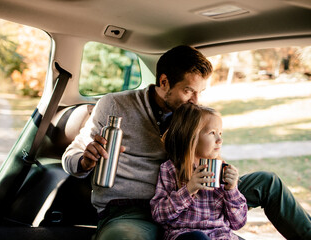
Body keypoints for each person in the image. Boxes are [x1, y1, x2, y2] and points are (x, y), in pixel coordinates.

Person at [62, 45, 311, 240]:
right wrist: (85, 160)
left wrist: (225, 177)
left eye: (200, 92)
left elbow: (211, 145)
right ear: (164, 82)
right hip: (134, 208)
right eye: (188, 91)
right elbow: (71, 157)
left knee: (268, 183)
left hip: (201, 196)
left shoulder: (191, 113)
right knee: (124, 238)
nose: (195, 100)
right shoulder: (115, 105)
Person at [150, 103, 247, 240]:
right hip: (186, 235)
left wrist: (232, 190)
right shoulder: (170, 169)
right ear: (191, 136)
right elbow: (158, 215)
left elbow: (238, 223)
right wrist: (189, 189)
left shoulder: (222, 169)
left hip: (221, 235)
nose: (220, 140)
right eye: (212, 133)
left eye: (220, 133)